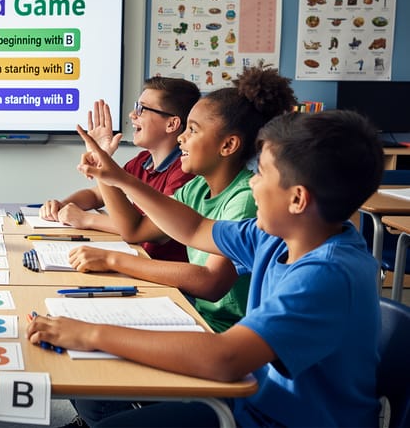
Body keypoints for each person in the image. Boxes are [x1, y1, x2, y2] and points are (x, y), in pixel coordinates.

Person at [30, 109, 383, 427]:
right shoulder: (277, 236)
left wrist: (91, 334)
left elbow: (226, 358)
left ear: (297, 199)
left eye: (260, 174)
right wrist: (118, 177)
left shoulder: (326, 274)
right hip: (248, 404)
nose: (253, 184)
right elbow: (195, 228)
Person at [67, 64, 297, 333]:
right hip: (195, 314)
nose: (181, 139)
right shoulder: (196, 188)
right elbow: (135, 229)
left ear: (228, 145)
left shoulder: (245, 198)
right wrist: (111, 174)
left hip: (226, 330)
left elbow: (210, 284)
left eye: (193, 130)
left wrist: (111, 260)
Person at [40, 77, 201, 262]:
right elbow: (97, 195)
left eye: (142, 109)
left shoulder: (184, 172)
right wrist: (62, 206)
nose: (133, 114)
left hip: (162, 274)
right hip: (136, 259)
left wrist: (85, 219)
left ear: (171, 124)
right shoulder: (143, 161)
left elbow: (142, 229)